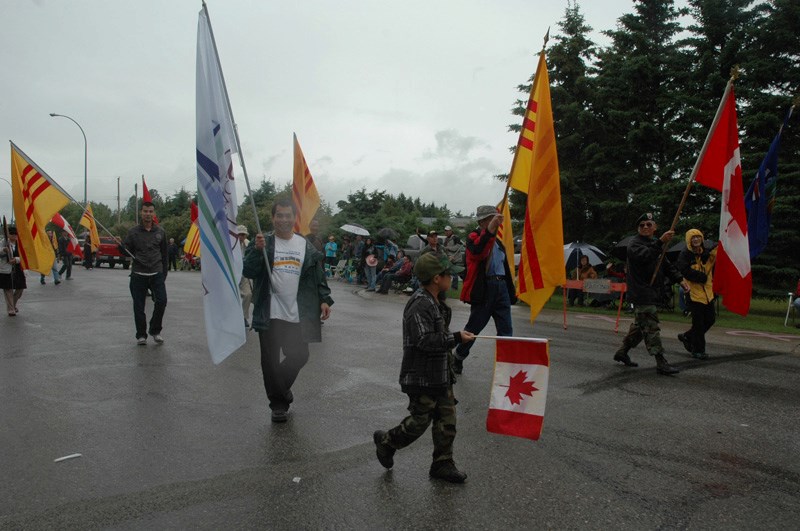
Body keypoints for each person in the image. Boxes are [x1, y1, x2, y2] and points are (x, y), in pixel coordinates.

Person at [372, 253, 474, 483]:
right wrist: (456, 338)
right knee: (419, 421)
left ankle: (442, 463)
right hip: (422, 376)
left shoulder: (436, 302)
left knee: (447, 421)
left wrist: (453, 340)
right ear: (437, 278)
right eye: (449, 274)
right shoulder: (420, 303)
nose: (452, 278)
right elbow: (424, 340)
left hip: (441, 374)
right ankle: (387, 442)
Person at [243, 198, 333, 423]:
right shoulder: (266, 243)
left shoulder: (304, 245)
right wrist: (256, 250)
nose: (284, 219)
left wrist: (324, 299)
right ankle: (278, 405)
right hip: (270, 313)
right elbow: (249, 271)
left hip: (297, 313)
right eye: (279, 215)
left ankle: (279, 390)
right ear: (273, 218)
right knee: (270, 361)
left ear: (294, 218)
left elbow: (317, 274)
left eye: (288, 215)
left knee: (300, 355)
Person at [613, 213, 689, 375]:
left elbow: (667, 265)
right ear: (637, 229)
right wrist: (661, 242)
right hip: (641, 292)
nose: (645, 227)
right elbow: (645, 257)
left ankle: (622, 352)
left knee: (641, 327)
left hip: (652, 291)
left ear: (655, 227)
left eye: (649, 224)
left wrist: (680, 279)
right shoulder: (634, 244)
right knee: (651, 326)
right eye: (642, 225)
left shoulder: (656, 245)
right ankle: (661, 362)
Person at [454, 205, 516, 375]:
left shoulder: (498, 242)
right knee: (473, 329)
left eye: (495, 218)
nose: (495, 221)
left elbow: (506, 269)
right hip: (485, 289)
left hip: (501, 287)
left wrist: (510, 291)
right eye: (491, 218)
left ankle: (506, 367)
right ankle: (458, 357)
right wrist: (489, 231)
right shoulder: (473, 237)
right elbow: (478, 253)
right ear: (482, 222)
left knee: (506, 331)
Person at [117, 201, 168, 345]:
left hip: (156, 273)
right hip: (138, 274)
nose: (148, 214)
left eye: (151, 211)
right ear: (141, 213)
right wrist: (120, 246)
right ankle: (141, 335)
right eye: (145, 211)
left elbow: (165, 255)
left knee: (162, 301)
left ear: (154, 213)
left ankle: (155, 330)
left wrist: (164, 274)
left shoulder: (160, 232)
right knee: (139, 306)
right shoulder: (133, 232)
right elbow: (126, 250)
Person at [676, 229, 717, 359]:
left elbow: (719, 249)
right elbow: (684, 270)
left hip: (708, 293)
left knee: (710, 319)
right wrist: (700, 276)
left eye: (698, 237)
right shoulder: (685, 255)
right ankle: (698, 350)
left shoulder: (706, 252)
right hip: (693, 293)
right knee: (698, 323)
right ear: (689, 240)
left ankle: (688, 336)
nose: (696, 240)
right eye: (693, 238)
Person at [1, 226, 26, 316]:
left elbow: (25, 256)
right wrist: (3, 250)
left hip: (18, 269)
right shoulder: (3, 242)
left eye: (16, 234)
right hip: (6, 269)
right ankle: (11, 309)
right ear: (8, 234)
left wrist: (16, 259)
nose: (15, 236)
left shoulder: (21, 243)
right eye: (12, 234)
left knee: (20, 288)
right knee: (8, 290)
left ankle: (13, 305)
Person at [237, 225, 253, 328]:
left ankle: (243, 316)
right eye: (239, 234)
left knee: (248, 294)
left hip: (244, 273)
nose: (241, 236)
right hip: (232, 273)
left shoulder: (248, 244)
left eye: (243, 234)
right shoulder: (230, 245)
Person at [443, 226, 464, 290]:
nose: (447, 232)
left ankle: (454, 287)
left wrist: (447, 248)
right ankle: (446, 285)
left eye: (448, 231)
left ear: (451, 231)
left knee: (455, 273)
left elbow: (456, 248)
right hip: (449, 258)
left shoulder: (456, 238)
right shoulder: (446, 239)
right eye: (445, 231)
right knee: (447, 272)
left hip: (455, 258)